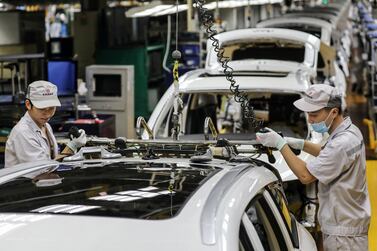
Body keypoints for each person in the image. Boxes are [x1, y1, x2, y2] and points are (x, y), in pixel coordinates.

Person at [256, 84, 370, 250]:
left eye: (314, 114)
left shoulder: (342, 143)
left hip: (344, 236)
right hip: (349, 223)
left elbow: (305, 175)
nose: (309, 120)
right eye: (308, 114)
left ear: (334, 112)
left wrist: (281, 145)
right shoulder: (350, 131)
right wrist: (299, 143)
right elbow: (326, 153)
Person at [5, 80, 86, 168]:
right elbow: (42, 171)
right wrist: (71, 147)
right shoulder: (23, 132)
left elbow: (51, 162)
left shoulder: (46, 126)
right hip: (28, 181)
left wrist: (72, 146)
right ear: (28, 104)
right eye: (42, 108)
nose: (47, 114)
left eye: (51, 108)